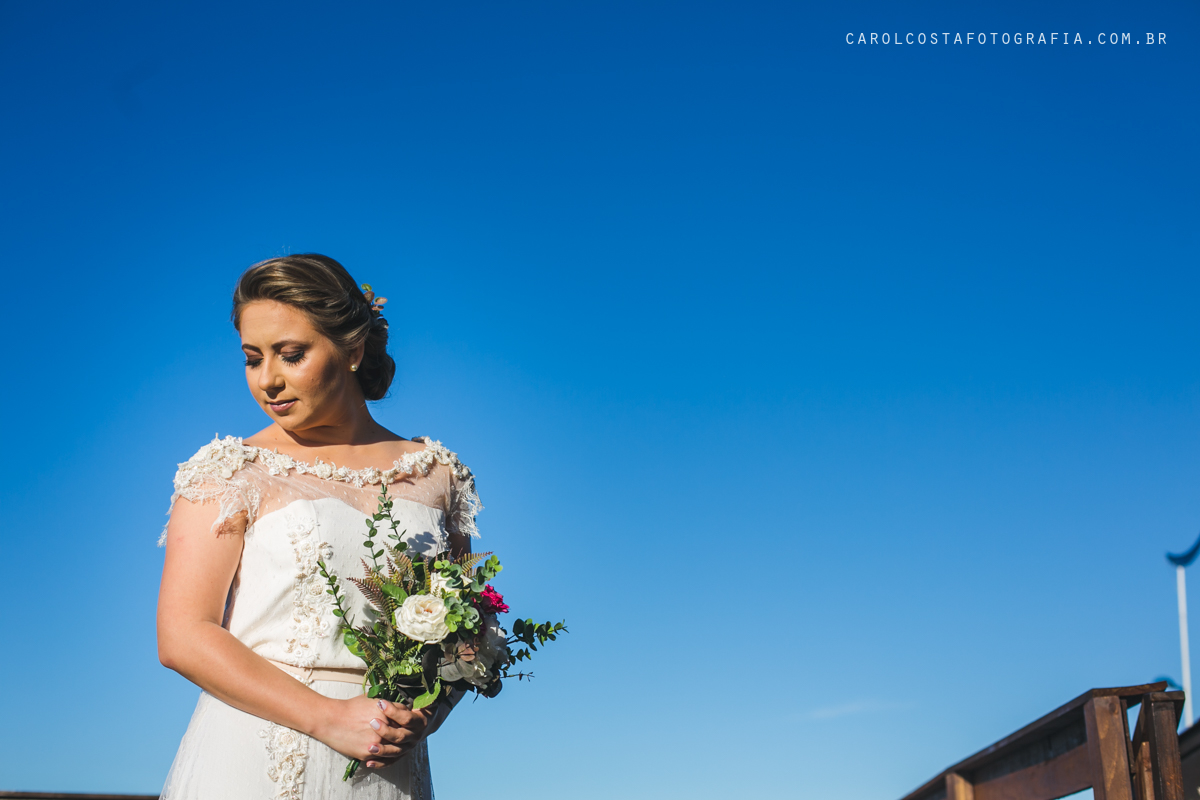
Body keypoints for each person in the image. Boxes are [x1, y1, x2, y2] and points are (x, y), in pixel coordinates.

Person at [157, 254, 479, 800]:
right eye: (252, 359)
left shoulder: (437, 473)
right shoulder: (228, 470)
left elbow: (465, 620)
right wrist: (328, 718)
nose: (268, 380)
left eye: (291, 354)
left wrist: (428, 712)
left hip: (387, 765)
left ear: (352, 350)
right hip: (253, 754)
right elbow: (183, 636)